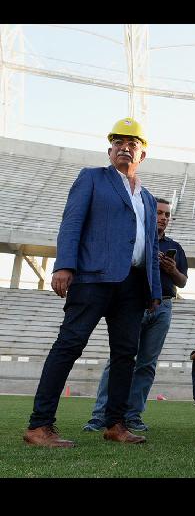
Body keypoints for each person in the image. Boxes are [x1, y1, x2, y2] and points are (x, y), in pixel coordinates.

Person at [23, 118, 161, 447]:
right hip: (92, 278)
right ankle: (39, 425)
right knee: (69, 346)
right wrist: (64, 265)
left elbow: (151, 246)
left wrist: (154, 288)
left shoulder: (149, 198)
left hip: (132, 284)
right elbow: (72, 222)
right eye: (119, 143)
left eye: (133, 144)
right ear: (110, 149)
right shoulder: (92, 178)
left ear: (142, 154)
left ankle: (116, 423)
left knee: (126, 355)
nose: (125, 147)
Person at [83, 198, 188, 431]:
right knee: (119, 360)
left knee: (147, 364)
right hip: (135, 303)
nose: (163, 217)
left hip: (164, 306)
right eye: (160, 213)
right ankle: (101, 415)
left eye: (167, 214)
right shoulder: (137, 240)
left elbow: (182, 281)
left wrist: (172, 270)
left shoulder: (175, 247)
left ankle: (132, 415)